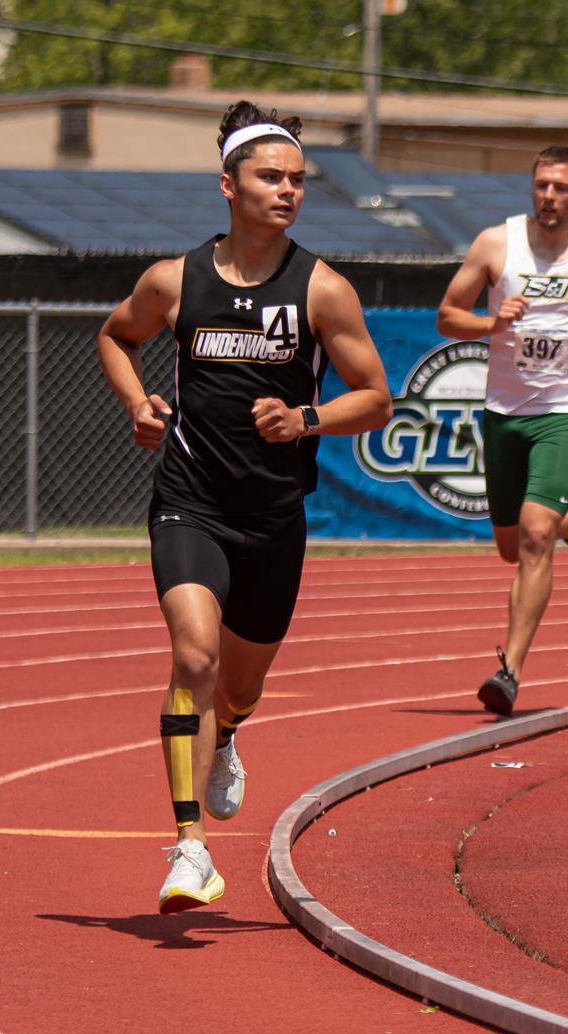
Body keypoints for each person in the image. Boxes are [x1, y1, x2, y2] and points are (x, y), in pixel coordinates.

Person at [96, 101, 393, 914]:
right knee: (194, 658)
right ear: (228, 184)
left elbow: (376, 398)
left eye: (298, 180)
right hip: (190, 501)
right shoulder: (174, 280)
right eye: (271, 176)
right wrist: (137, 404)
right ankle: (190, 849)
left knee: (240, 684)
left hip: (273, 518)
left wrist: (306, 418)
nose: (288, 191)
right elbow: (116, 337)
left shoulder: (322, 290)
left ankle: (227, 736)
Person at [436, 144, 568, 717]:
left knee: (532, 534)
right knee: (510, 547)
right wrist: (489, 321)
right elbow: (446, 314)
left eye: (560, 188)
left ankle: (510, 672)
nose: (549, 196)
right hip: (505, 410)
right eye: (541, 186)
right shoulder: (496, 244)